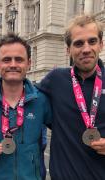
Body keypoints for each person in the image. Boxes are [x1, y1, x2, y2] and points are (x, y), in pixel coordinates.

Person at [0, 33, 51, 180]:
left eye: (19, 59)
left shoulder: (41, 100)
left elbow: (65, 130)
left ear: (29, 63)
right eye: (6, 60)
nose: (13, 64)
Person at [36, 14, 105, 180]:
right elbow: (20, 96)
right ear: (68, 50)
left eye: (92, 41)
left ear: (101, 44)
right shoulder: (55, 79)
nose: (86, 49)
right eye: (78, 43)